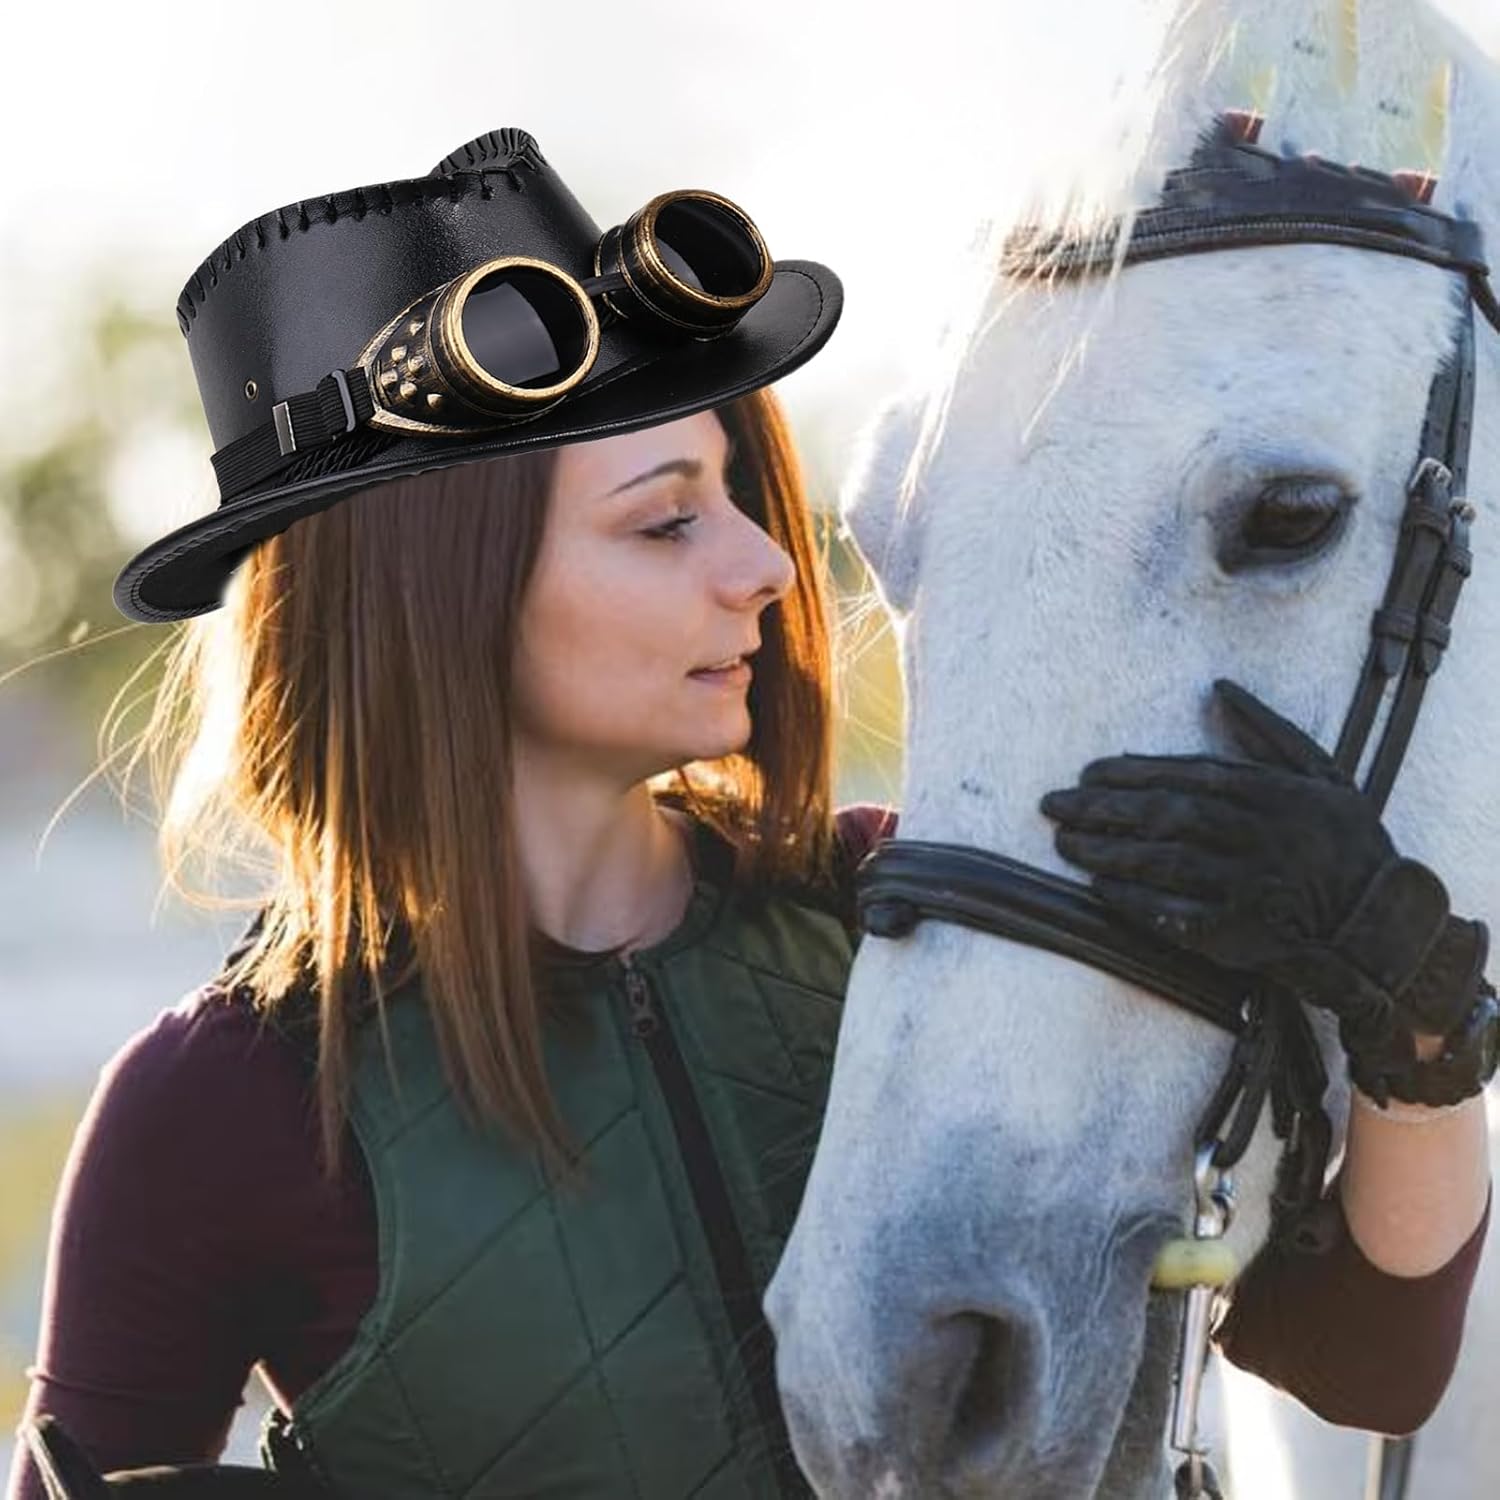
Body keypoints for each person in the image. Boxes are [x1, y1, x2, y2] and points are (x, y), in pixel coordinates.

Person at [7, 125, 1492, 1500]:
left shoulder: (899, 914)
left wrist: (1415, 1026)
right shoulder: (218, 1106)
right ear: (435, 602)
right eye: (665, 522)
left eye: (733, 499)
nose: (768, 568)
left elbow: (1363, 1366)